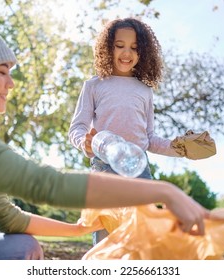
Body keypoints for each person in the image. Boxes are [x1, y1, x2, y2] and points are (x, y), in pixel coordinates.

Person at [0, 13, 211, 260]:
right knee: (100, 251)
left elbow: (8, 217)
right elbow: (45, 183)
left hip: (137, 169)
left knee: (26, 247)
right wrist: (165, 191)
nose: (12, 84)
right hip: (106, 168)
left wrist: (77, 228)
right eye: (3, 72)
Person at [68, 18, 185, 244]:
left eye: (134, 47)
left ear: (143, 52)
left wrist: (179, 148)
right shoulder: (93, 85)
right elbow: (77, 128)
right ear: (107, 47)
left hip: (139, 171)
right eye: (119, 45)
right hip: (104, 170)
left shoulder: (145, 91)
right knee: (105, 240)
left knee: (139, 239)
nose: (126, 53)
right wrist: (85, 142)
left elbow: (149, 138)